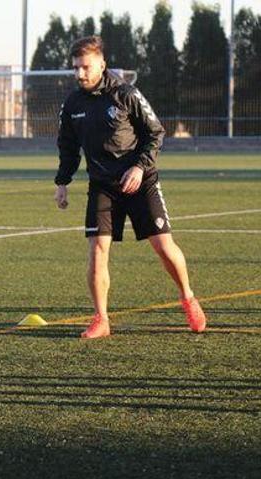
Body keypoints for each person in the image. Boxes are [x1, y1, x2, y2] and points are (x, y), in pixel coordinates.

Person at [53, 36, 207, 339]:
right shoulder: (72, 103)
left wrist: (140, 167)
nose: (80, 74)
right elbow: (68, 146)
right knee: (97, 250)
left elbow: (155, 132)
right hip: (102, 185)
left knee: (163, 247)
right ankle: (101, 318)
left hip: (140, 181)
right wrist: (62, 182)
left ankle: (188, 298)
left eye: (85, 67)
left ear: (101, 64)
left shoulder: (126, 94)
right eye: (75, 68)